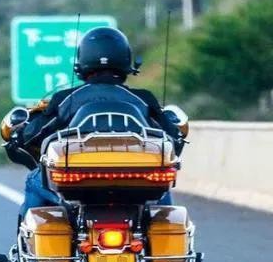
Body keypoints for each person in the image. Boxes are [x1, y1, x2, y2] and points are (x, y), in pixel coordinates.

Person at [11, 27, 185, 219]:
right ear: (126, 59)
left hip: (76, 179)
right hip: (136, 178)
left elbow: (34, 134)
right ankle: (163, 230)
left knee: (34, 180)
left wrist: (20, 134)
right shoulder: (143, 98)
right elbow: (171, 138)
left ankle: (28, 238)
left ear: (82, 60)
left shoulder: (66, 98)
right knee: (161, 190)